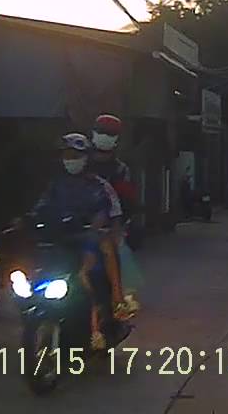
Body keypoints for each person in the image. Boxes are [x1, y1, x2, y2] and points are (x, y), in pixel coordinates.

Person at [30, 133, 120, 348]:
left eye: (75, 155)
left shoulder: (99, 186)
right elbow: (41, 208)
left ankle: (114, 304)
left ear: (86, 157)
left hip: (88, 241)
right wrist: (29, 220)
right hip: (59, 242)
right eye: (67, 155)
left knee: (94, 266)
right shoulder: (55, 185)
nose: (70, 160)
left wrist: (94, 230)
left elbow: (106, 214)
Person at [87, 113, 140, 320]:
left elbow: (126, 202)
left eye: (109, 133)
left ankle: (119, 298)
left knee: (114, 252)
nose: (104, 136)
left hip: (108, 226)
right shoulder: (82, 164)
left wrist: (116, 224)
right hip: (76, 224)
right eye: (101, 131)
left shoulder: (120, 170)